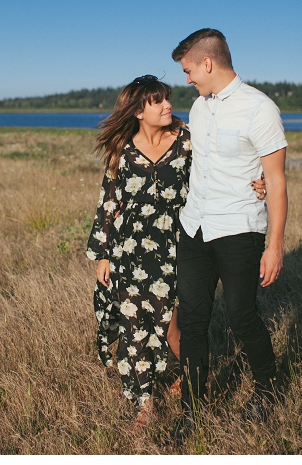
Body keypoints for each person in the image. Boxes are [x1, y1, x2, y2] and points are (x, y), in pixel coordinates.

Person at [86, 75, 266, 428]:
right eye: (159, 101)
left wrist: (258, 179)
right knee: (134, 327)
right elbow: (108, 201)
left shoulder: (186, 139)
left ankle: (192, 379)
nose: (168, 105)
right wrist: (103, 254)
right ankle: (145, 404)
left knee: (174, 326)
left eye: (167, 98)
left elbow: (223, 162)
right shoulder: (121, 148)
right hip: (130, 251)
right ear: (139, 110)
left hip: (178, 243)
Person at [170, 28, 288, 437]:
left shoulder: (261, 109)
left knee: (241, 316)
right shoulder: (199, 108)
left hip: (239, 229)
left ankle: (268, 387)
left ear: (208, 63)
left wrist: (274, 246)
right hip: (195, 227)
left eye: (188, 71)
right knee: (193, 322)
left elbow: (276, 181)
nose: (187, 80)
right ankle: (192, 413)